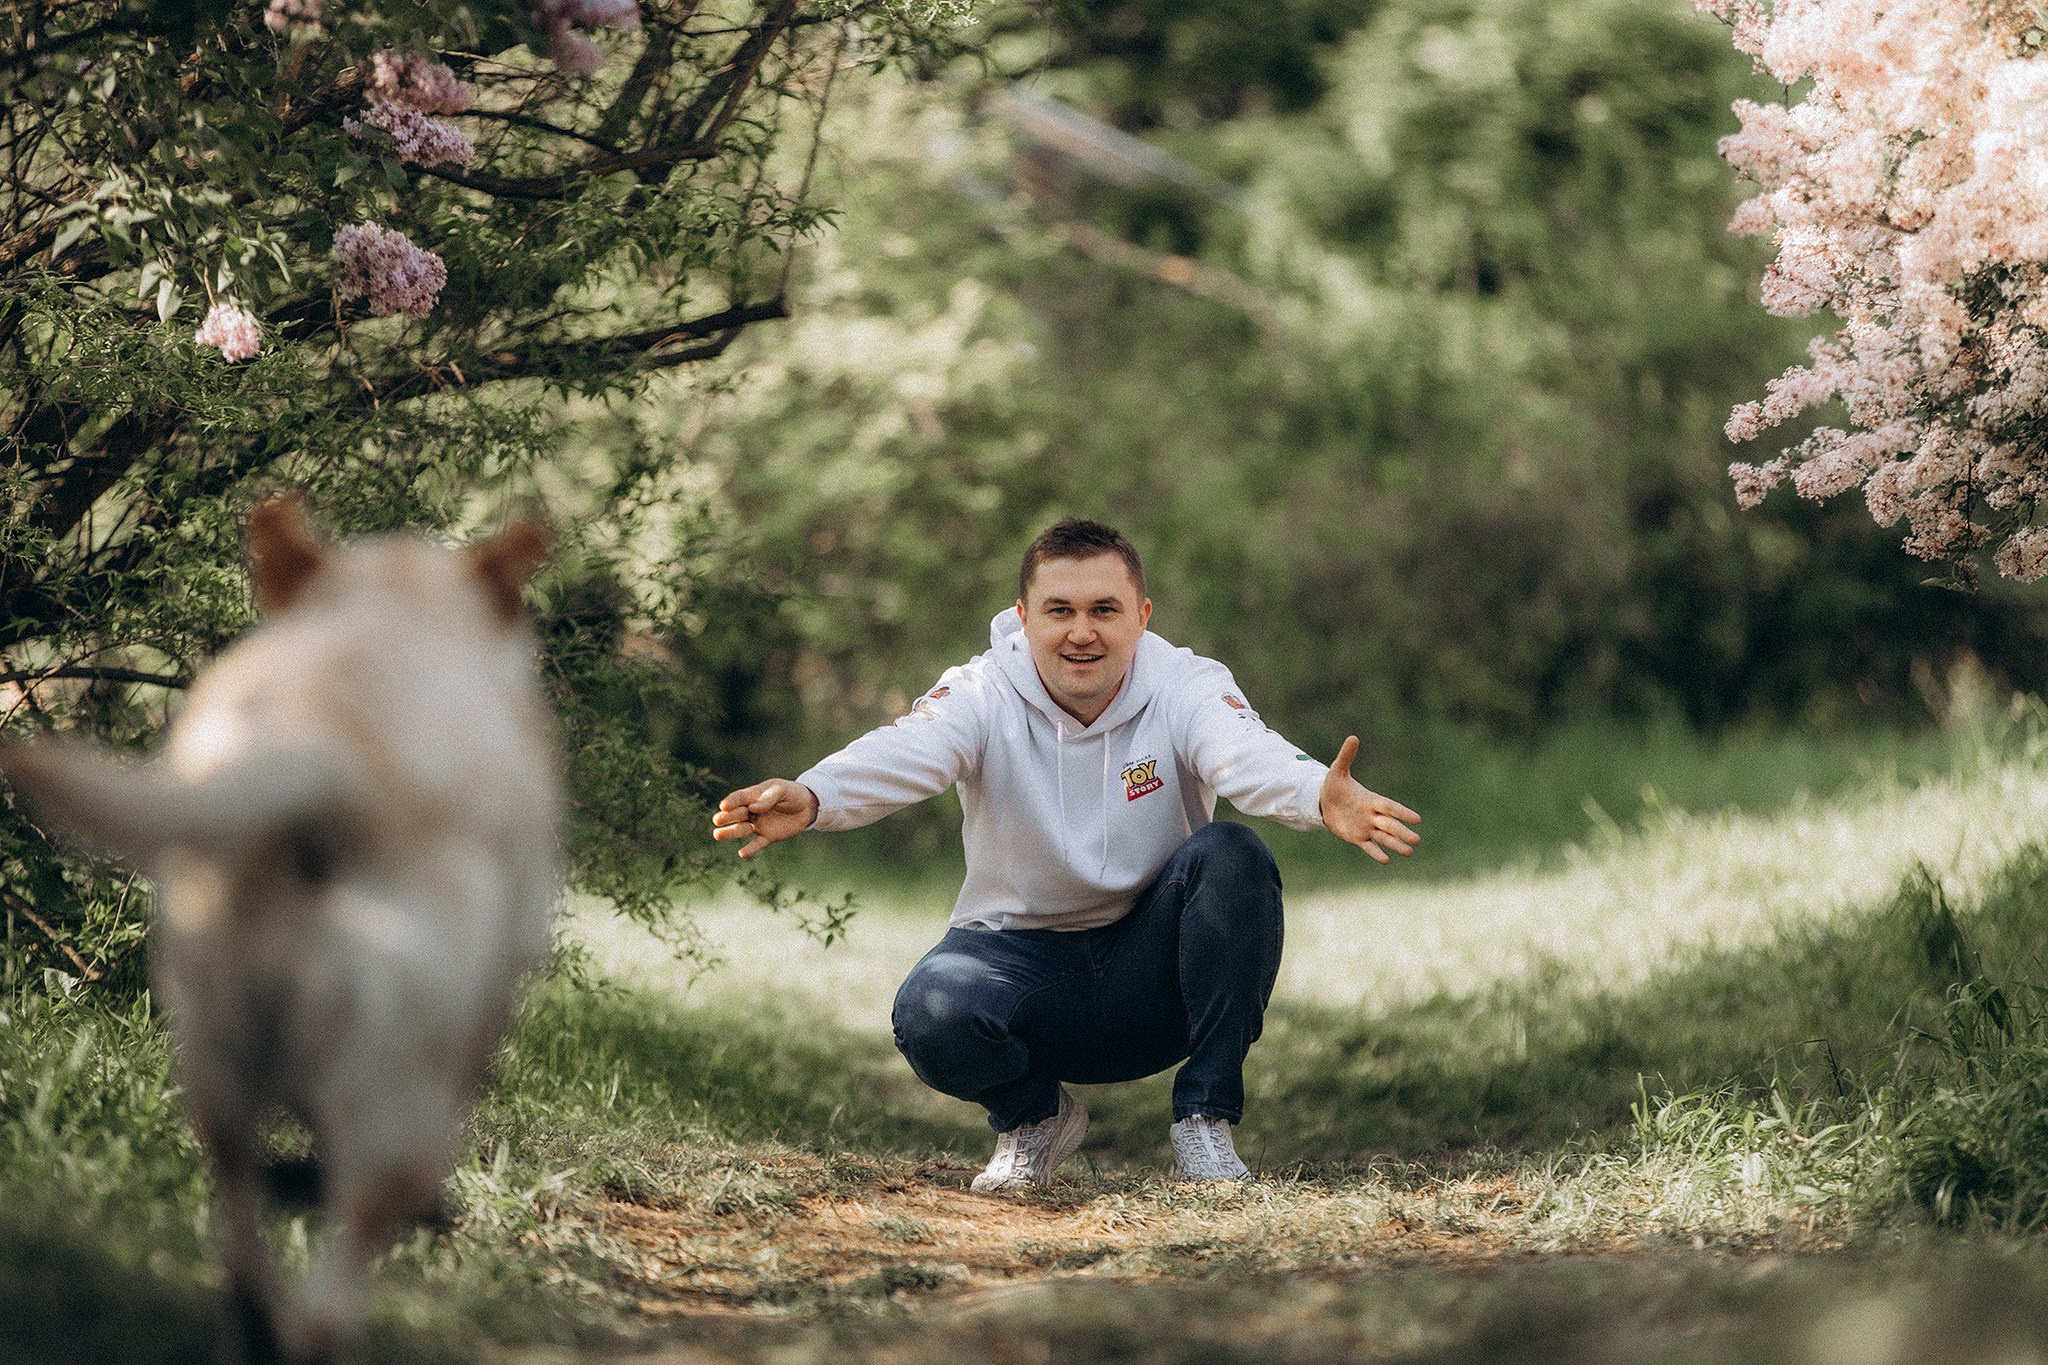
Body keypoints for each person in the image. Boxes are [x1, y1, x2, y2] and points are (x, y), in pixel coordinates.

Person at [711, 518, 1420, 1190]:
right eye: (1060, 611)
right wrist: (815, 794)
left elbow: (1241, 752)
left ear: (1141, 617)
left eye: (1104, 610)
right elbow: (910, 748)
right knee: (930, 1009)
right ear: (1024, 619)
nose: (1082, 632)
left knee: (1233, 853)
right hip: (1021, 969)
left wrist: (1314, 792)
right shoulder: (982, 691)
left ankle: (1205, 1121)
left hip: (1156, 977)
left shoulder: (1186, 684)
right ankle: (1034, 1118)